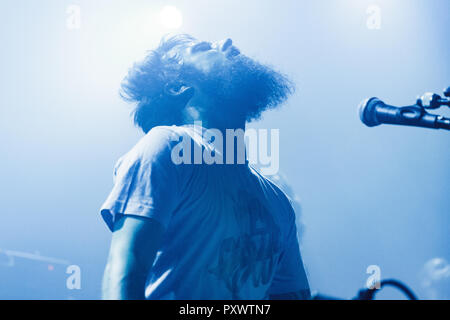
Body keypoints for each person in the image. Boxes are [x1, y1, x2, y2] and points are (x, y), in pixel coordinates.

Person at [100, 34, 310, 299]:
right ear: (178, 87)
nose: (228, 42)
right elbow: (125, 268)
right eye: (203, 48)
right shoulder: (166, 146)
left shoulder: (277, 201)